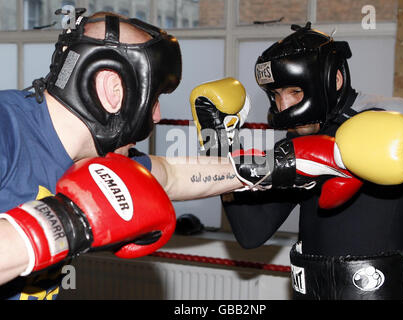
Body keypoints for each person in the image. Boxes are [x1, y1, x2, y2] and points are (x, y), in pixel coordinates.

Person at [0, 10, 245, 300]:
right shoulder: (6, 128)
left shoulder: (94, 160)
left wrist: (266, 167)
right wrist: (69, 221)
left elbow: (172, 175)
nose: (157, 115)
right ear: (113, 90)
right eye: (154, 99)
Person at [200, 23, 403, 300]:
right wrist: (218, 142)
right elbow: (251, 232)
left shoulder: (390, 114)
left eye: (294, 92)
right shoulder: (297, 142)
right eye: (276, 95)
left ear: (334, 81)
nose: (283, 107)